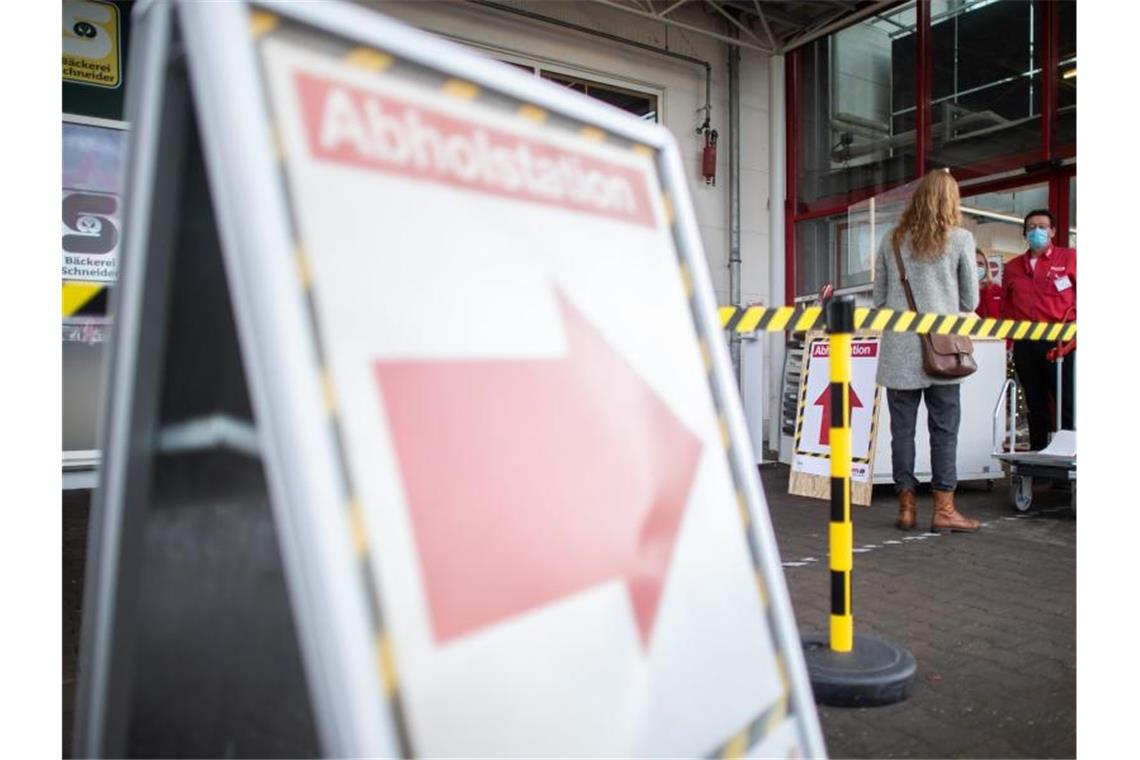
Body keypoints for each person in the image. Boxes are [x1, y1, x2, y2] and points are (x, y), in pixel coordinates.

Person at [873, 169, 980, 533]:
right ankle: (944, 510)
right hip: (943, 350)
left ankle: (906, 509)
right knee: (944, 429)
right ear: (951, 201)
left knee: (902, 431)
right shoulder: (961, 239)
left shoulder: (891, 239)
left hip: (899, 349)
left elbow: (878, 298)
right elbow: (970, 299)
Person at [1002, 209, 1076, 450]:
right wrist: (1010, 342)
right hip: (1025, 343)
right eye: (1032, 227)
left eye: (1042, 226)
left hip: (1061, 343)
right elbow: (1007, 306)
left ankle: (1068, 462)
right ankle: (1038, 456)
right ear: (1025, 233)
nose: (1037, 231)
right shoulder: (1013, 267)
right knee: (1035, 402)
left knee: (1067, 401)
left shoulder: (1069, 258)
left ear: (1052, 231)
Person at [975, 248, 1003, 319]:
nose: (976, 266)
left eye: (980, 264)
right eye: (972, 263)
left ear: (986, 267)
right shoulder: (958, 294)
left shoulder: (998, 291)